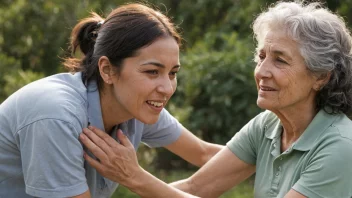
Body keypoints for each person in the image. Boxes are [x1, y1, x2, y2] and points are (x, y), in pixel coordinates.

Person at [80, 1, 352, 198]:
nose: (262, 71)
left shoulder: (341, 147)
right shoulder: (267, 126)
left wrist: (135, 177)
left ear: (321, 77)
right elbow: (195, 189)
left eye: (280, 60)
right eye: (261, 57)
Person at [0, 3, 223, 198]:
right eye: (152, 72)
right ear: (107, 70)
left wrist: (258, 140)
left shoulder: (136, 106)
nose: (167, 88)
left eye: (172, 73)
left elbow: (205, 154)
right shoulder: (57, 116)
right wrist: (135, 179)